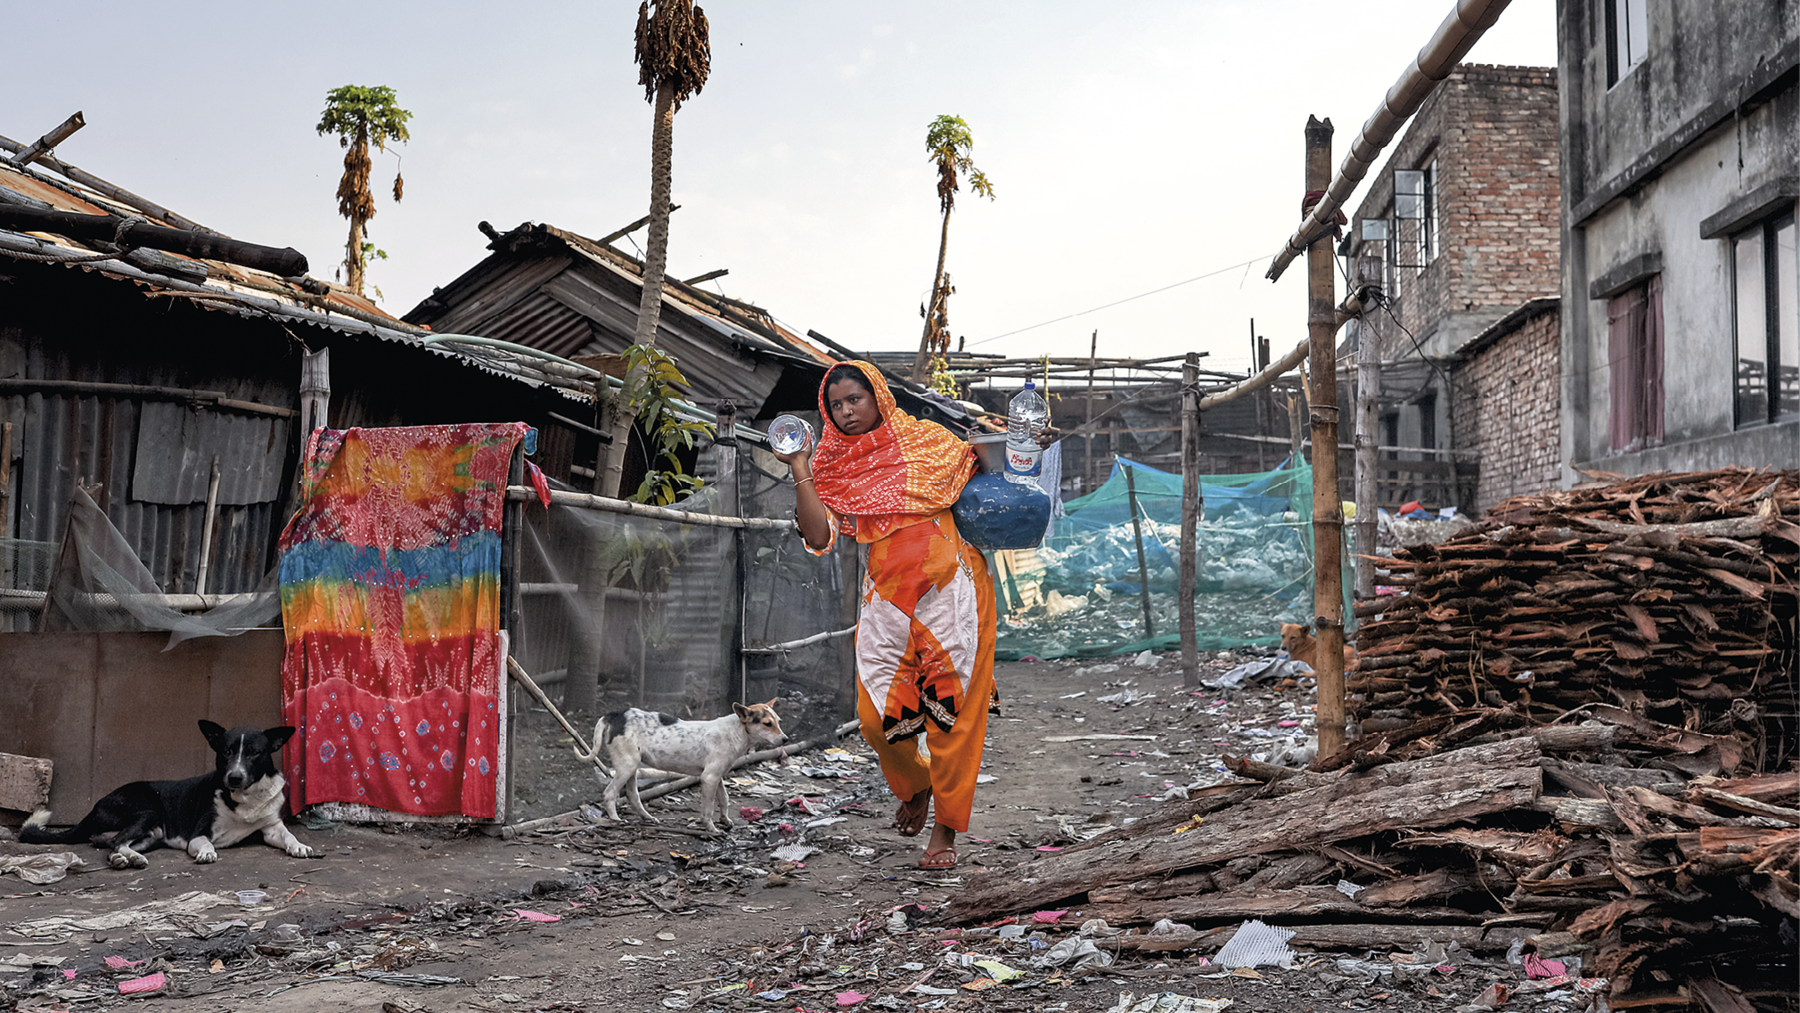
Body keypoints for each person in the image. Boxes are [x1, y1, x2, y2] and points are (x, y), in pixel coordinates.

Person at [773, 361, 995, 870]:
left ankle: (945, 830)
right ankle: (915, 784)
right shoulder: (830, 465)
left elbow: (987, 466)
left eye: (856, 399)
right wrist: (800, 467)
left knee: (950, 716)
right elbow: (819, 537)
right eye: (836, 405)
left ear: (878, 396)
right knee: (876, 719)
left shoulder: (928, 441)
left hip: (953, 591)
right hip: (888, 598)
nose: (847, 411)